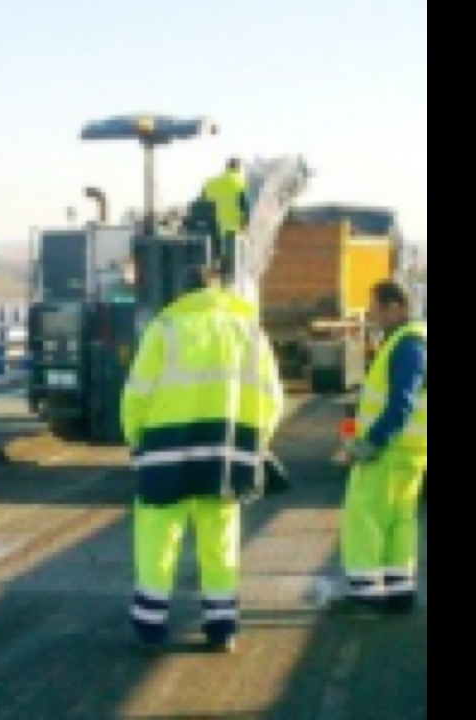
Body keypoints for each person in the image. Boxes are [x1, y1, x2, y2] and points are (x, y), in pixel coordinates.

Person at [121, 266, 286, 654]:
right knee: (220, 541)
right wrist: (257, 441)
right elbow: (272, 396)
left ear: (181, 292)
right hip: (227, 452)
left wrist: (136, 441)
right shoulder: (249, 331)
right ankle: (222, 625)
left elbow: (137, 395)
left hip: (165, 450)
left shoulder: (165, 329)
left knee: (158, 538)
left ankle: (149, 624)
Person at [333, 279, 428, 614]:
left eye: (375, 308)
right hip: (412, 451)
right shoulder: (413, 342)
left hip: (389, 451)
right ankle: (399, 588)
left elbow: (400, 402)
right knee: (399, 521)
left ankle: (366, 592)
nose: (371, 315)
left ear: (396, 307)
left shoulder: (407, 344)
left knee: (364, 518)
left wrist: (370, 443)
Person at [201, 159, 251, 280]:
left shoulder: (212, 182)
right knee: (231, 271)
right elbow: (245, 207)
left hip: (213, 231)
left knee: (216, 264)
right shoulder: (240, 182)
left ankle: (213, 280)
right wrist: (245, 226)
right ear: (238, 168)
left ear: (226, 167)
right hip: (232, 232)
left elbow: (201, 201)